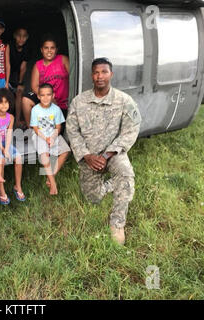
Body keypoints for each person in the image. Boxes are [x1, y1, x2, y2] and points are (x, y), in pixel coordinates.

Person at [66, 57, 141, 245]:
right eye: (96, 72)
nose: (100, 76)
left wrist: (108, 154)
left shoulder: (124, 101)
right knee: (94, 198)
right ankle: (110, 185)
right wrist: (87, 156)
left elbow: (131, 129)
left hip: (114, 154)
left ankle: (117, 224)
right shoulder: (79, 102)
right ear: (92, 75)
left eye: (104, 72)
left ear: (111, 74)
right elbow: (72, 131)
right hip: (89, 157)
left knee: (126, 175)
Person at [30, 83, 70, 196]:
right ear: (38, 96)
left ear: (53, 95)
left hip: (53, 134)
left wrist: (52, 137)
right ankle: (53, 184)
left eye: (48, 95)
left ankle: (51, 175)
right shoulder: (35, 110)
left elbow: (58, 127)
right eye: (42, 95)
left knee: (66, 151)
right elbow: (35, 128)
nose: (46, 98)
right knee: (45, 155)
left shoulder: (56, 109)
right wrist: (46, 138)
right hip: (40, 135)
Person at [22, 34, 70, 127]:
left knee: (55, 131)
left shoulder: (63, 59)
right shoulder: (38, 65)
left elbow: (73, 77)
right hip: (46, 100)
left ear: (56, 50)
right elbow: (34, 87)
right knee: (26, 99)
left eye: (52, 48)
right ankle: (30, 130)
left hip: (62, 103)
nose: (49, 51)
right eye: (46, 48)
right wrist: (48, 98)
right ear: (41, 50)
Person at [0, 88, 26, 202]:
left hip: (6, 143)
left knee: (19, 158)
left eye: (6, 102)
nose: (4, 105)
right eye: (1, 102)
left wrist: (6, 148)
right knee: (1, 161)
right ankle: (1, 189)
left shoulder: (10, 117)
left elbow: (9, 134)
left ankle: (17, 185)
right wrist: (2, 149)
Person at [9, 27, 30, 128]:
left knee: (19, 93)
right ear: (14, 36)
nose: (21, 39)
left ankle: (17, 121)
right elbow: (6, 64)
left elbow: (23, 67)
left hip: (18, 73)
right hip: (7, 72)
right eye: (19, 36)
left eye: (24, 36)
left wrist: (20, 83)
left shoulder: (27, 49)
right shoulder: (9, 46)